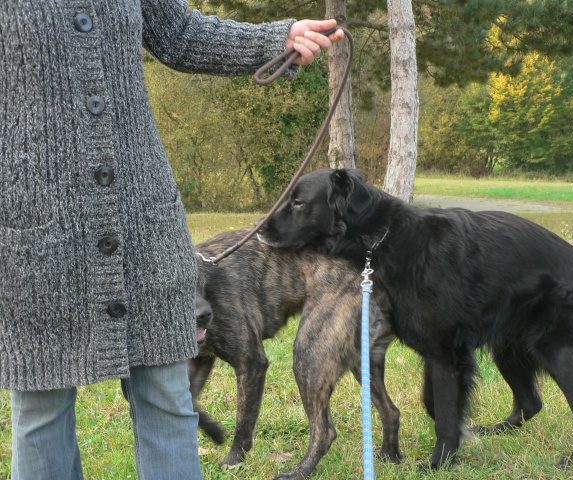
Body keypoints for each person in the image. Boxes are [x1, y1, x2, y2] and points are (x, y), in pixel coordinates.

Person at [0, 1, 344, 479]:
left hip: (144, 216)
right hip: (34, 222)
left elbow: (179, 32)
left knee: (167, 390)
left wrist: (276, 39)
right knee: (41, 409)